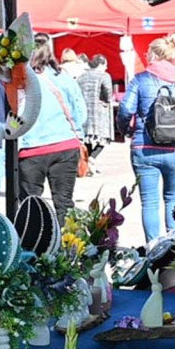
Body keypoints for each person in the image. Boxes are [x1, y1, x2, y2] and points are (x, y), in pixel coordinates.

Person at [118, 33, 175, 243]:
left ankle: (153, 248)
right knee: (174, 198)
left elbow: (125, 109)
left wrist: (127, 131)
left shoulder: (140, 79)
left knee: (150, 202)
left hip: (145, 147)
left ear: (152, 54)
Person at [17, 46, 87, 223]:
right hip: (65, 144)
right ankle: (67, 240)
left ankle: (33, 240)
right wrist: (76, 132)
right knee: (64, 205)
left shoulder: (19, 79)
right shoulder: (63, 78)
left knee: (30, 207)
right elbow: (80, 112)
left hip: (31, 148)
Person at [77, 54, 113, 159]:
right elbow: (108, 92)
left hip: (85, 112)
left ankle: (87, 160)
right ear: (101, 64)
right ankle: (92, 158)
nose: (106, 67)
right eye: (105, 65)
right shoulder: (104, 76)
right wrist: (107, 100)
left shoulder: (81, 76)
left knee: (87, 138)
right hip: (100, 111)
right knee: (103, 139)